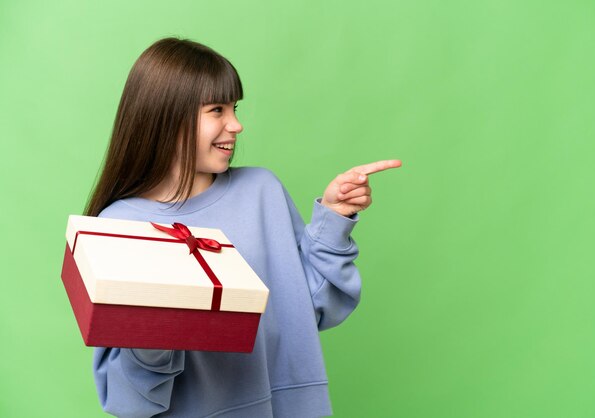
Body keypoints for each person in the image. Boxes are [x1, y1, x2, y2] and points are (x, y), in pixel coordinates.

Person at [86, 37, 401, 418]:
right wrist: (153, 336)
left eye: (234, 108)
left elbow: (317, 308)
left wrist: (333, 218)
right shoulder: (118, 227)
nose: (236, 124)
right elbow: (129, 401)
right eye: (217, 109)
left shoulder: (262, 191)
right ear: (164, 115)